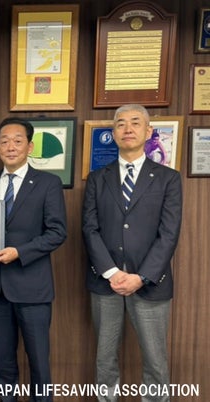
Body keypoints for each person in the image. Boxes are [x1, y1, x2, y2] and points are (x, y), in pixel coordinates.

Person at [82, 104, 182, 402]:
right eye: (121, 124)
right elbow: (89, 229)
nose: (128, 129)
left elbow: (169, 233)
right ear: (113, 133)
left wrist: (141, 276)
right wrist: (112, 272)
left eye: (135, 123)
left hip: (150, 282)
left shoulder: (168, 178)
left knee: (155, 361)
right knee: (104, 359)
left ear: (148, 132)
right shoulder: (97, 178)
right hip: (106, 282)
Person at [0, 117, 67, 402]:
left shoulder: (48, 183)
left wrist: (20, 252)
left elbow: (57, 232)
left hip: (33, 288)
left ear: (29, 147)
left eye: (17, 141)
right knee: (3, 362)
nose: (10, 147)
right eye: (4, 141)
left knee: (39, 361)